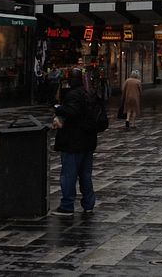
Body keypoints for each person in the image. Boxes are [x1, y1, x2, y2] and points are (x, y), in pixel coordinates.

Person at [51, 68, 97, 216]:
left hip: (73, 142)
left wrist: (58, 109)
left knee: (69, 174)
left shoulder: (72, 95)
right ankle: (89, 203)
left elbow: (72, 111)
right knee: (85, 174)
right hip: (88, 140)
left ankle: (67, 205)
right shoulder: (89, 93)